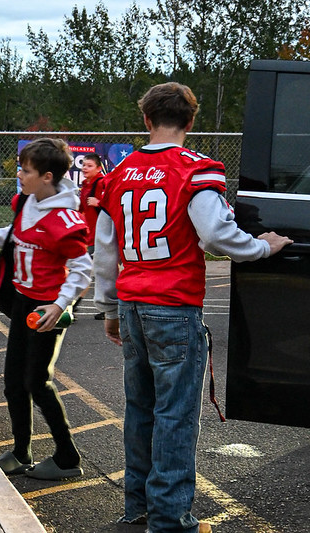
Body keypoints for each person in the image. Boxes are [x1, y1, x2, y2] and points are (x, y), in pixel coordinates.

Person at [93, 82, 293, 532]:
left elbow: (104, 249)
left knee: (140, 408)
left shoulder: (117, 174)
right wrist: (262, 247)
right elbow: (217, 234)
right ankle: (169, 518)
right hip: (173, 303)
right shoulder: (196, 169)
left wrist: (108, 307)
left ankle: (138, 506)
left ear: (146, 120)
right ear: (190, 121)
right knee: (175, 415)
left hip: (131, 301)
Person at [0, 138, 91, 481]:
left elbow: (83, 268)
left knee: (38, 382)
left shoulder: (62, 217)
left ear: (47, 176)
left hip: (45, 307)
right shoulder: (31, 201)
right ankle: (21, 450)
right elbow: (15, 235)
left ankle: (67, 457)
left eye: (26, 170)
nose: (20, 176)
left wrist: (59, 304)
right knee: (13, 382)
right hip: (25, 302)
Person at [77, 152, 107, 320]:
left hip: (101, 236)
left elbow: (114, 205)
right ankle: (109, 307)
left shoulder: (102, 183)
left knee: (89, 270)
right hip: (88, 235)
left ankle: (72, 307)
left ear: (98, 168)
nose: (85, 168)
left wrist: (99, 203)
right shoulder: (85, 185)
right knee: (87, 270)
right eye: (83, 165)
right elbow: (81, 209)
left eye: (89, 166)